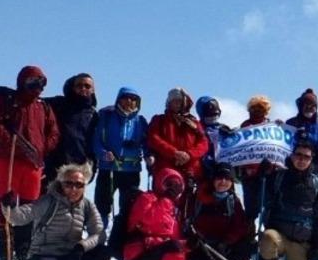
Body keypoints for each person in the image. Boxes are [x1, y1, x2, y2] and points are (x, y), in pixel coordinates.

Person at [0, 65, 60, 260]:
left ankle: (24, 244)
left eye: (42, 83)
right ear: (22, 82)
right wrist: (9, 140)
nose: (38, 87)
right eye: (33, 82)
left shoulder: (43, 106)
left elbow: (54, 132)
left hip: (34, 163)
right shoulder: (7, 101)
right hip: (8, 159)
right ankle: (5, 241)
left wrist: (43, 148)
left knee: (30, 203)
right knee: (5, 199)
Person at [1, 162, 109, 260]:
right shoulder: (48, 201)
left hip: (71, 255)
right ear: (61, 184)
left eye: (79, 185)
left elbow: (100, 234)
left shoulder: (87, 205)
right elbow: (20, 217)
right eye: (69, 184)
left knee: (103, 253)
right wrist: (9, 207)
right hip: (44, 255)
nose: (74, 189)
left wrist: (82, 247)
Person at [123, 168, 206, 260]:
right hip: (139, 257)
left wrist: (189, 244)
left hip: (160, 255)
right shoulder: (146, 198)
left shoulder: (175, 209)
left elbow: (172, 241)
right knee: (173, 247)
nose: (173, 188)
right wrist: (166, 199)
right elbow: (148, 222)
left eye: (177, 186)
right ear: (160, 184)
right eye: (169, 184)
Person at [257, 139, 318, 260]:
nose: (302, 160)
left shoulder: (315, 182)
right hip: (279, 236)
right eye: (299, 155)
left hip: (301, 241)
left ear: (311, 159)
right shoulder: (278, 177)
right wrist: (262, 174)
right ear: (292, 156)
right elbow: (263, 198)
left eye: (307, 157)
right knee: (268, 238)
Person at [185, 163, 254, 260]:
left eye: (227, 179)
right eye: (219, 178)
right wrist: (197, 238)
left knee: (247, 244)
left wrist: (226, 241)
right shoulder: (199, 198)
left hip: (223, 248)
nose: (223, 182)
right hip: (203, 248)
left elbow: (239, 227)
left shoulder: (233, 200)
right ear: (213, 180)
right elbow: (189, 221)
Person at [92, 87, 148, 229]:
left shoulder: (140, 121)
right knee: (102, 204)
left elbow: (148, 143)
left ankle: (123, 238)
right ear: (119, 99)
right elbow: (96, 140)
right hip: (108, 168)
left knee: (129, 206)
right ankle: (99, 235)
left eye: (133, 99)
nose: (129, 101)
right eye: (126, 97)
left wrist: (149, 156)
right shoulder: (106, 117)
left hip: (131, 170)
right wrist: (103, 153)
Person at [147, 88, 209, 183]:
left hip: (191, 171)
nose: (177, 103)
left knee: (192, 197)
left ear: (185, 102)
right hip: (166, 169)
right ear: (168, 102)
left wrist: (189, 154)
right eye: (174, 101)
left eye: (180, 101)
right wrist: (174, 153)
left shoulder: (194, 123)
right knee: (166, 197)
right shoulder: (159, 120)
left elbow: (204, 143)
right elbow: (153, 138)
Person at [45, 73, 98, 182]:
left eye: (87, 86)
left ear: (93, 90)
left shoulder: (94, 115)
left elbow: (94, 144)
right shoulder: (58, 104)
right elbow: (33, 100)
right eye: (79, 85)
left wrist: (93, 168)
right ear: (73, 88)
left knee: (74, 199)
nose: (83, 88)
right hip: (54, 166)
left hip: (79, 168)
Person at [237, 94, 276, 225]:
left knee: (268, 205)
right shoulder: (245, 126)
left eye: (261, 109)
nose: (257, 112)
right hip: (249, 175)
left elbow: (276, 149)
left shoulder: (272, 127)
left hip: (267, 173)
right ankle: (249, 236)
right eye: (254, 109)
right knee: (250, 209)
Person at [284, 88, 318, 172]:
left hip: (316, 163)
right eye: (306, 105)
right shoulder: (291, 122)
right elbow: (285, 143)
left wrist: (308, 136)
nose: (309, 108)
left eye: (313, 106)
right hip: (294, 163)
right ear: (301, 107)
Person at [195, 95, 231, 178]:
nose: (213, 118)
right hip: (205, 172)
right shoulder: (197, 130)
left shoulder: (223, 129)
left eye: (215, 115)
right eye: (209, 116)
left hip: (224, 171)